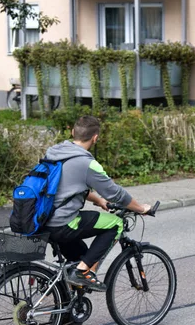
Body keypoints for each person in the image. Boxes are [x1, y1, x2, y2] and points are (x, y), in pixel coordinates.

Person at [43, 116, 151, 292]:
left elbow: (66, 188)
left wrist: (99, 200)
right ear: (95, 138)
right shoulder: (86, 163)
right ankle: (83, 272)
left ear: (72, 132)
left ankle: (67, 313)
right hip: (63, 223)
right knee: (116, 224)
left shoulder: (54, 153)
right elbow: (116, 193)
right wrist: (141, 208)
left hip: (44, 221)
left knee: (79, 256)